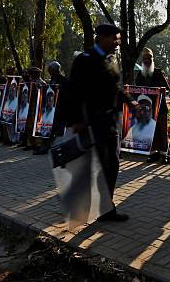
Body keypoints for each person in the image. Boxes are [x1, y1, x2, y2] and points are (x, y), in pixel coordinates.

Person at [66, 23, 138, 222]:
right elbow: (73, 92)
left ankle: (105, 208)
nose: (117, 43)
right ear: (102, 38)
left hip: (110, 122)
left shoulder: (111, 60)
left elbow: (117, 87)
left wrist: (131, 102)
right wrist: (76, 120)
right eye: (114, 39)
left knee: (112, 164)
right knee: (95, 165)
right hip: (91, 122)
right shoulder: (84, 59)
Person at [135, 47, 170, 164]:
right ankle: (153, 153)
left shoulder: (158, 72)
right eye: (145, 58)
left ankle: (164, 154)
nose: (147, 60)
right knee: (150, 132)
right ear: (142, 60)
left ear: (152, 59)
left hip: (160, 108)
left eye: (149, 58)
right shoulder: (140, 75)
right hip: (147, 110)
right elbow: (136, 90)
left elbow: (167, 89)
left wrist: (161, 90)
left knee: (162, 131)